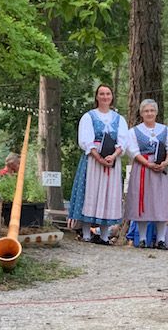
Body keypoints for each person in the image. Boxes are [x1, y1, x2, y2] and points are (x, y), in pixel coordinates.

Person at [69, 84, 128, 245]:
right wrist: (99, 158)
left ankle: (104, 235)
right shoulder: (89, 116)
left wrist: (113, 156)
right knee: (92, 192)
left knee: (108, 194)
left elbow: (123, 141)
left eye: (108, 93)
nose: (105, 96)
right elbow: (85, 140)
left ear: (112, 96)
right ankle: (87, 233)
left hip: (111, 161)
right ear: (97, 97)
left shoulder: (119, 119)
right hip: (93, 161)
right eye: (101, 94)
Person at [124, 99, 168, 250]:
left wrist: (165, 162)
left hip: (161, 168)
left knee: (160, 202)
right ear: (141, 113)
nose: (149, 113)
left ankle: (160, 239)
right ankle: (141, 238)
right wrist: (147, 163)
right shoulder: (134, 131)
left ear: (156, 112)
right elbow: (132, 150)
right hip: (142, 168)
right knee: (142, 201)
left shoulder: (165, 130)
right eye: (146, 111)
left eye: (152, 111)